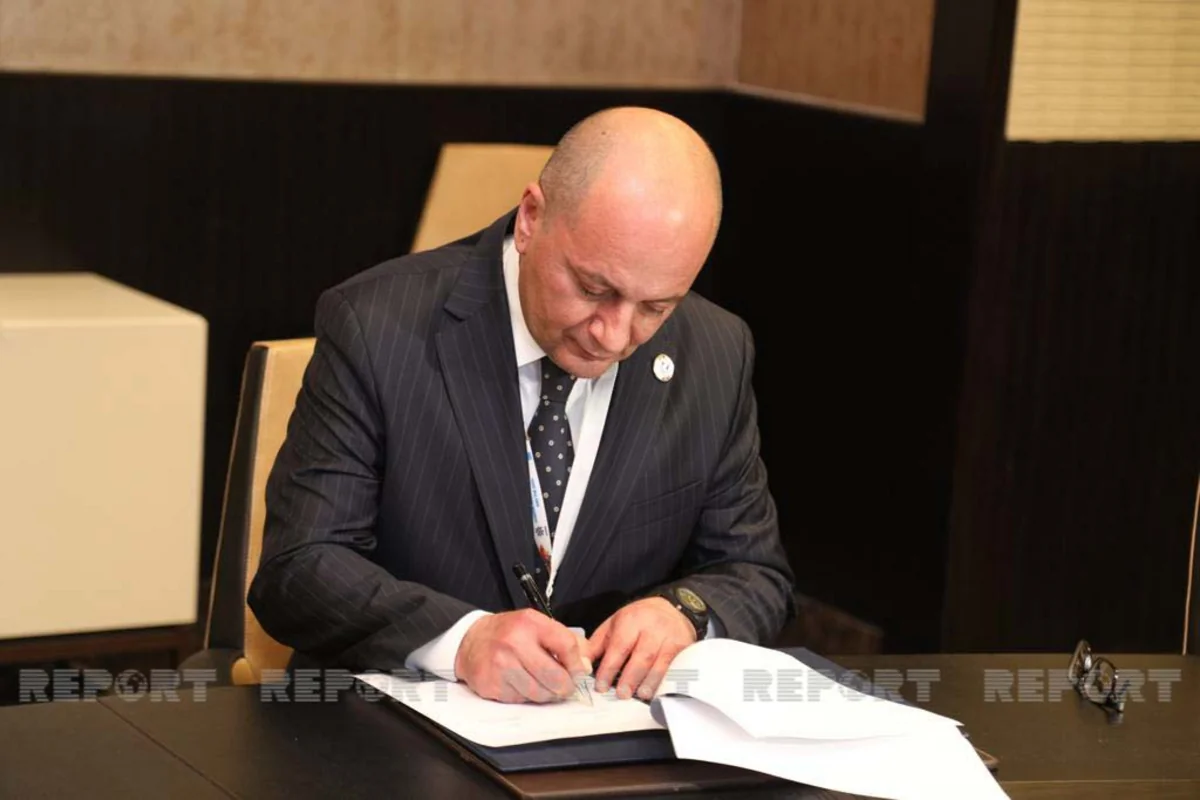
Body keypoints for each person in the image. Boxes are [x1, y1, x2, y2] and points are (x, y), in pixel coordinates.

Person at [248, 106, 794, 705]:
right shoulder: (376, 326)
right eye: (593, 289)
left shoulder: (715, 352)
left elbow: (754, 573)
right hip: (388, 727)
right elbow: (299, 567)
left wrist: (684, 613)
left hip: (604, 735)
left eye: (655, 308)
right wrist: (462, 641)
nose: (614, 336)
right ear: (532, 217)